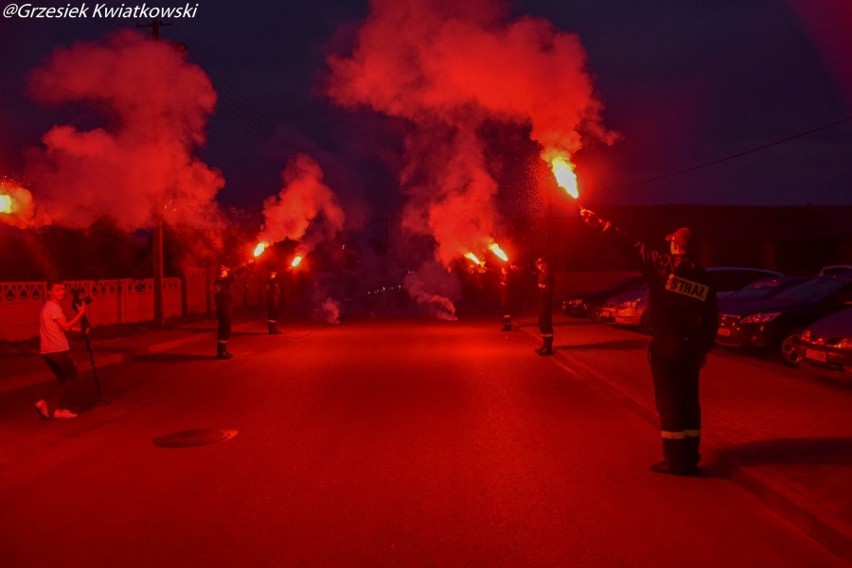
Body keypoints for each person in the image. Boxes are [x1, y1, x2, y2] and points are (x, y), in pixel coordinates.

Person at [581, 209, 718, 476]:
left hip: (667, 345)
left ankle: (675, 461)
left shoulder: (661, 266)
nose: (668, 244)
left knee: (669, 403)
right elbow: (712, 317)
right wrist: (704, 349)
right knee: (690, 401)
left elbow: (633, 247)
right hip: (691, 348)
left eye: (671, 241)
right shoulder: (704, 278)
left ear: (676, 245)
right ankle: (690, 457)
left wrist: (604, 225)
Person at [35, 281, 87, 419]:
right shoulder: (54, 308)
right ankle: (59, 409)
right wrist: (81, 314)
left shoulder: (48, 307)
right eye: (57, 290)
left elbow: (60, 327)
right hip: (58, 350)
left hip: (47, 351)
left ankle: (43, 403)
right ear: (49, 292)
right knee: (72, 376)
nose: (62, 292)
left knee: (62, 377)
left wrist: (80, 330)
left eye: (63, 289)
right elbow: (66, 328)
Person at [214, 265, 236, 359]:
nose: (226, 273)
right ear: (222, 273)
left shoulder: (221, 282)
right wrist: (243, 266)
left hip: (225, 307)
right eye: (225, 272)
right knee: (224, 329)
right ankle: (221, 352)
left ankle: (223, 350)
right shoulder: (221, 281)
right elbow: (233, 277)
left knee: (226, 328)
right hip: (223, 308)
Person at [534, 257, 555, 355]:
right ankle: (545, 343)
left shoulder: (549, 275)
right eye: (539, 264)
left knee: (546, 323)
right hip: (541, 302)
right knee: (541, 322)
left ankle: (549, 347)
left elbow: (549, 290)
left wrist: (543, 288)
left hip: (547, 302)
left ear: (547, 264)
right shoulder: (540, 274)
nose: (541, 265)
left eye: (543, 263)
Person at [499, 263, 518, 332]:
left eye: (503, 269)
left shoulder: (509, 276)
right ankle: (506, 324)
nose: (502, 270)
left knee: (507, 311)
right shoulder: (503, 276)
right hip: (504, 295)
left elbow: (509, 285)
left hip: (507, 296)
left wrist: (503, 284)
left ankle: (508, 325)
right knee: (505, 311)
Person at [266, 269, 282, 335]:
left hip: (274, 299)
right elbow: (270, 290)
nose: (275, 273)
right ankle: (271, 329)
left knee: (274, 314)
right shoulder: (270, 281)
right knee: (272, 315)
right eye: (273, 272)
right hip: (272, 300)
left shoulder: (274, 281)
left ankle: (274, 328)